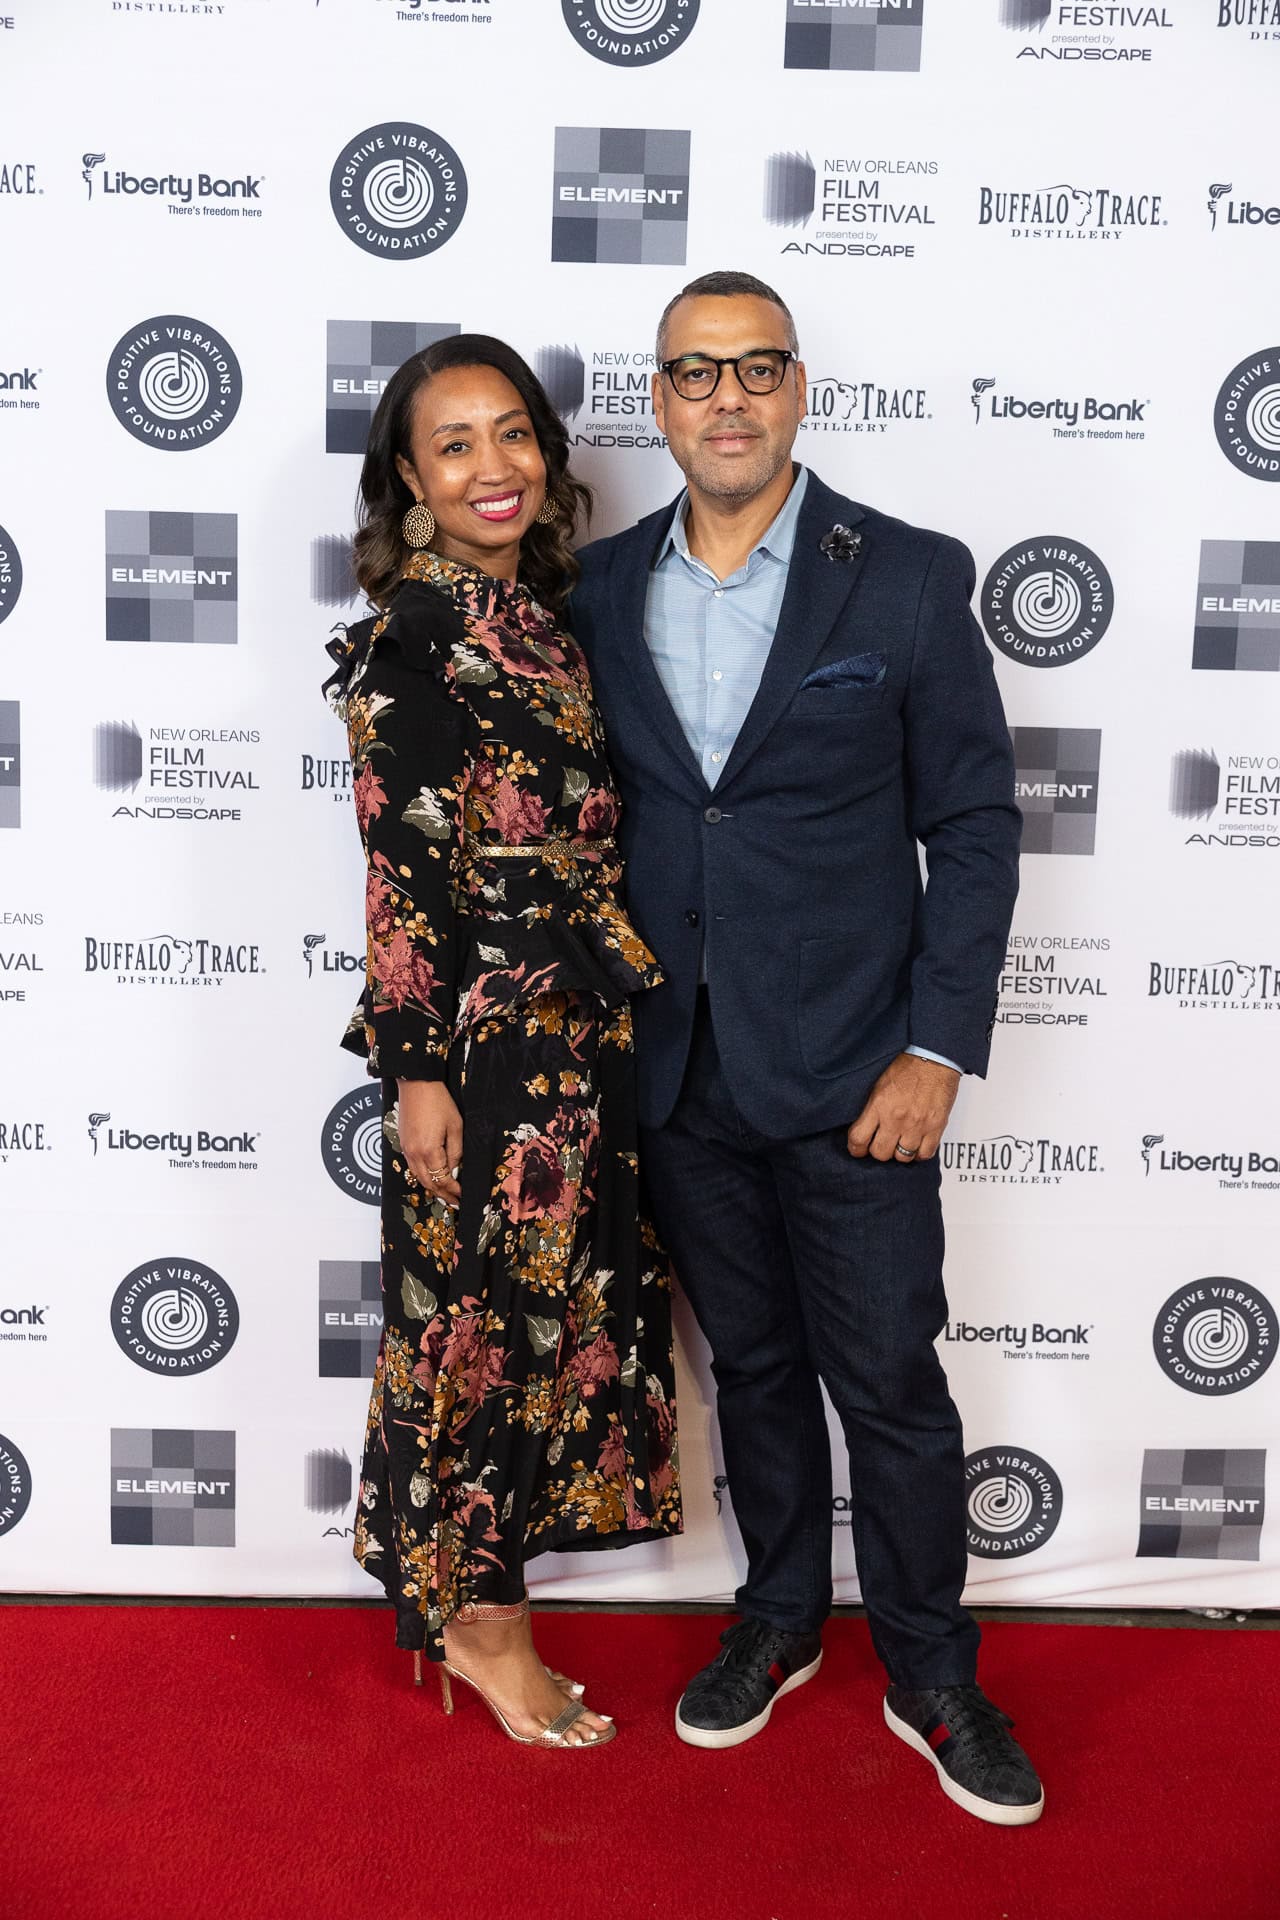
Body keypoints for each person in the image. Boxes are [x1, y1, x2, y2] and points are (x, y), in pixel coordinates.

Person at [571, 272, 1041, 1823]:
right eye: (695, 372)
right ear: (659, 400)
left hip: (857, 1078)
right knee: (757, 1369)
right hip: (676, 1071)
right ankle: (777, 1618)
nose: (728, 398)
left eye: (756, 368)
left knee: (888, 1382)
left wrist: (937, 1049)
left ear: (798, 388)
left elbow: (973, 824)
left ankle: (932, 1673)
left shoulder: (903, 577)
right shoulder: (597, 586)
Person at [324, 334, 681, 1750]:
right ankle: (480, 1629)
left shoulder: (543, 619)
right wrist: (415, 1073)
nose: (493, 466)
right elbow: (403, 877)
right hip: (484, 1047)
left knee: (547, 1326)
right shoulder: (413, 638)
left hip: (578, 1032)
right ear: (410, 482)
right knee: (476, 1330)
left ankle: (479, 1606)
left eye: (513, 433)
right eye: (455, 443)